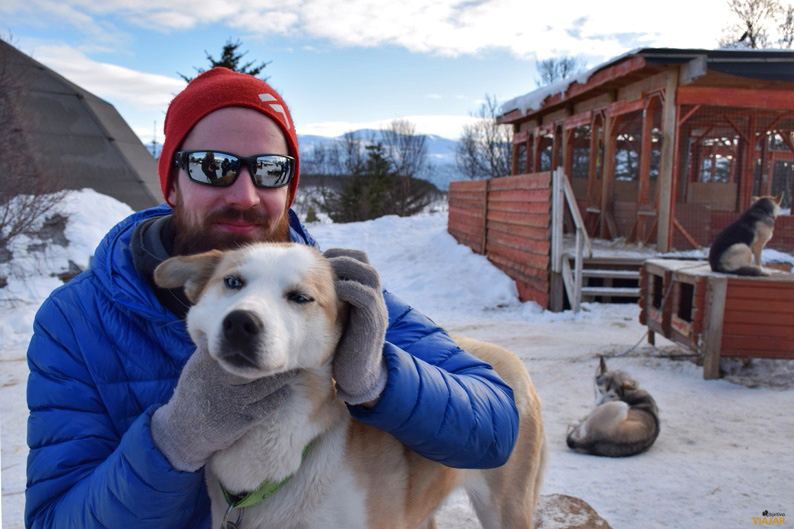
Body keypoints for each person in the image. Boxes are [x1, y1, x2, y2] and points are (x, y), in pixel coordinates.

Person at [24, 67, 519, 528]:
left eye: (269, 170)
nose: (244, 195)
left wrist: (377, 381)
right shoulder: (76, 321)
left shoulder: (338, 295)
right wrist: (173, 441)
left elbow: (496, 427)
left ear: (288, 190)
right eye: (213, 166)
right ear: (172, 183)